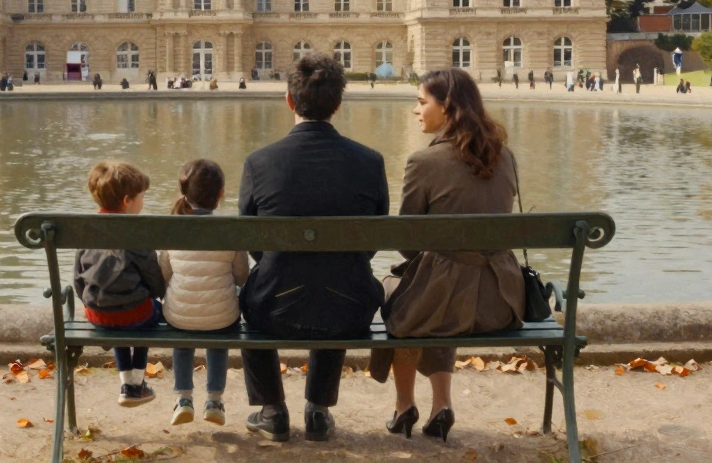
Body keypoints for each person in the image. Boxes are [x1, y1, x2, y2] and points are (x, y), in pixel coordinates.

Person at [239, 53, 388, 443]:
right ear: (338, 105)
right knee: (341, 272)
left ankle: (272, 409)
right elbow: (372, 239)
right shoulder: (370, 162)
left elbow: (251, 239)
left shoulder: (260, 162)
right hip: (349, 310)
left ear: (290, 100)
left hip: (275, 309)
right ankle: (318, 411)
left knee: (254, 291)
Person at [369, 69, 523, 444]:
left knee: (404, 292)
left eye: (422, 102)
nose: (415, 110)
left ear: (447, 107)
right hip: (500, 303)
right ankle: (442, 405)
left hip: (447, 303)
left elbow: (407, 242)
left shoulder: (424, 162)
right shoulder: (507, 157)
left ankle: (404, 406)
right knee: (440, 287)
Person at [159, 159, 248, 427]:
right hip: (222, 318)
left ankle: (183, 398)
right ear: (221, 194)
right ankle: (215, 400)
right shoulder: (230, 230)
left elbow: (163, 275)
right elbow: (242, 276)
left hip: (180, 316)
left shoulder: (172, 228)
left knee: (182, 337)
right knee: (218, 336)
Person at [73, 161, 163, 407]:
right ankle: (137, 381)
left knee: (120, 314)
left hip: (97, 313)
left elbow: (78, 281)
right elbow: (155, 283)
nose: (143, 202)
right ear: (127, 201)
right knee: (147, 312)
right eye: (141, 197)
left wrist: (92, 302)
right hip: (135, 315)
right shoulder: (136, 234)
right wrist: (155, 293)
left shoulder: (85, 231)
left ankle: (127, 384)